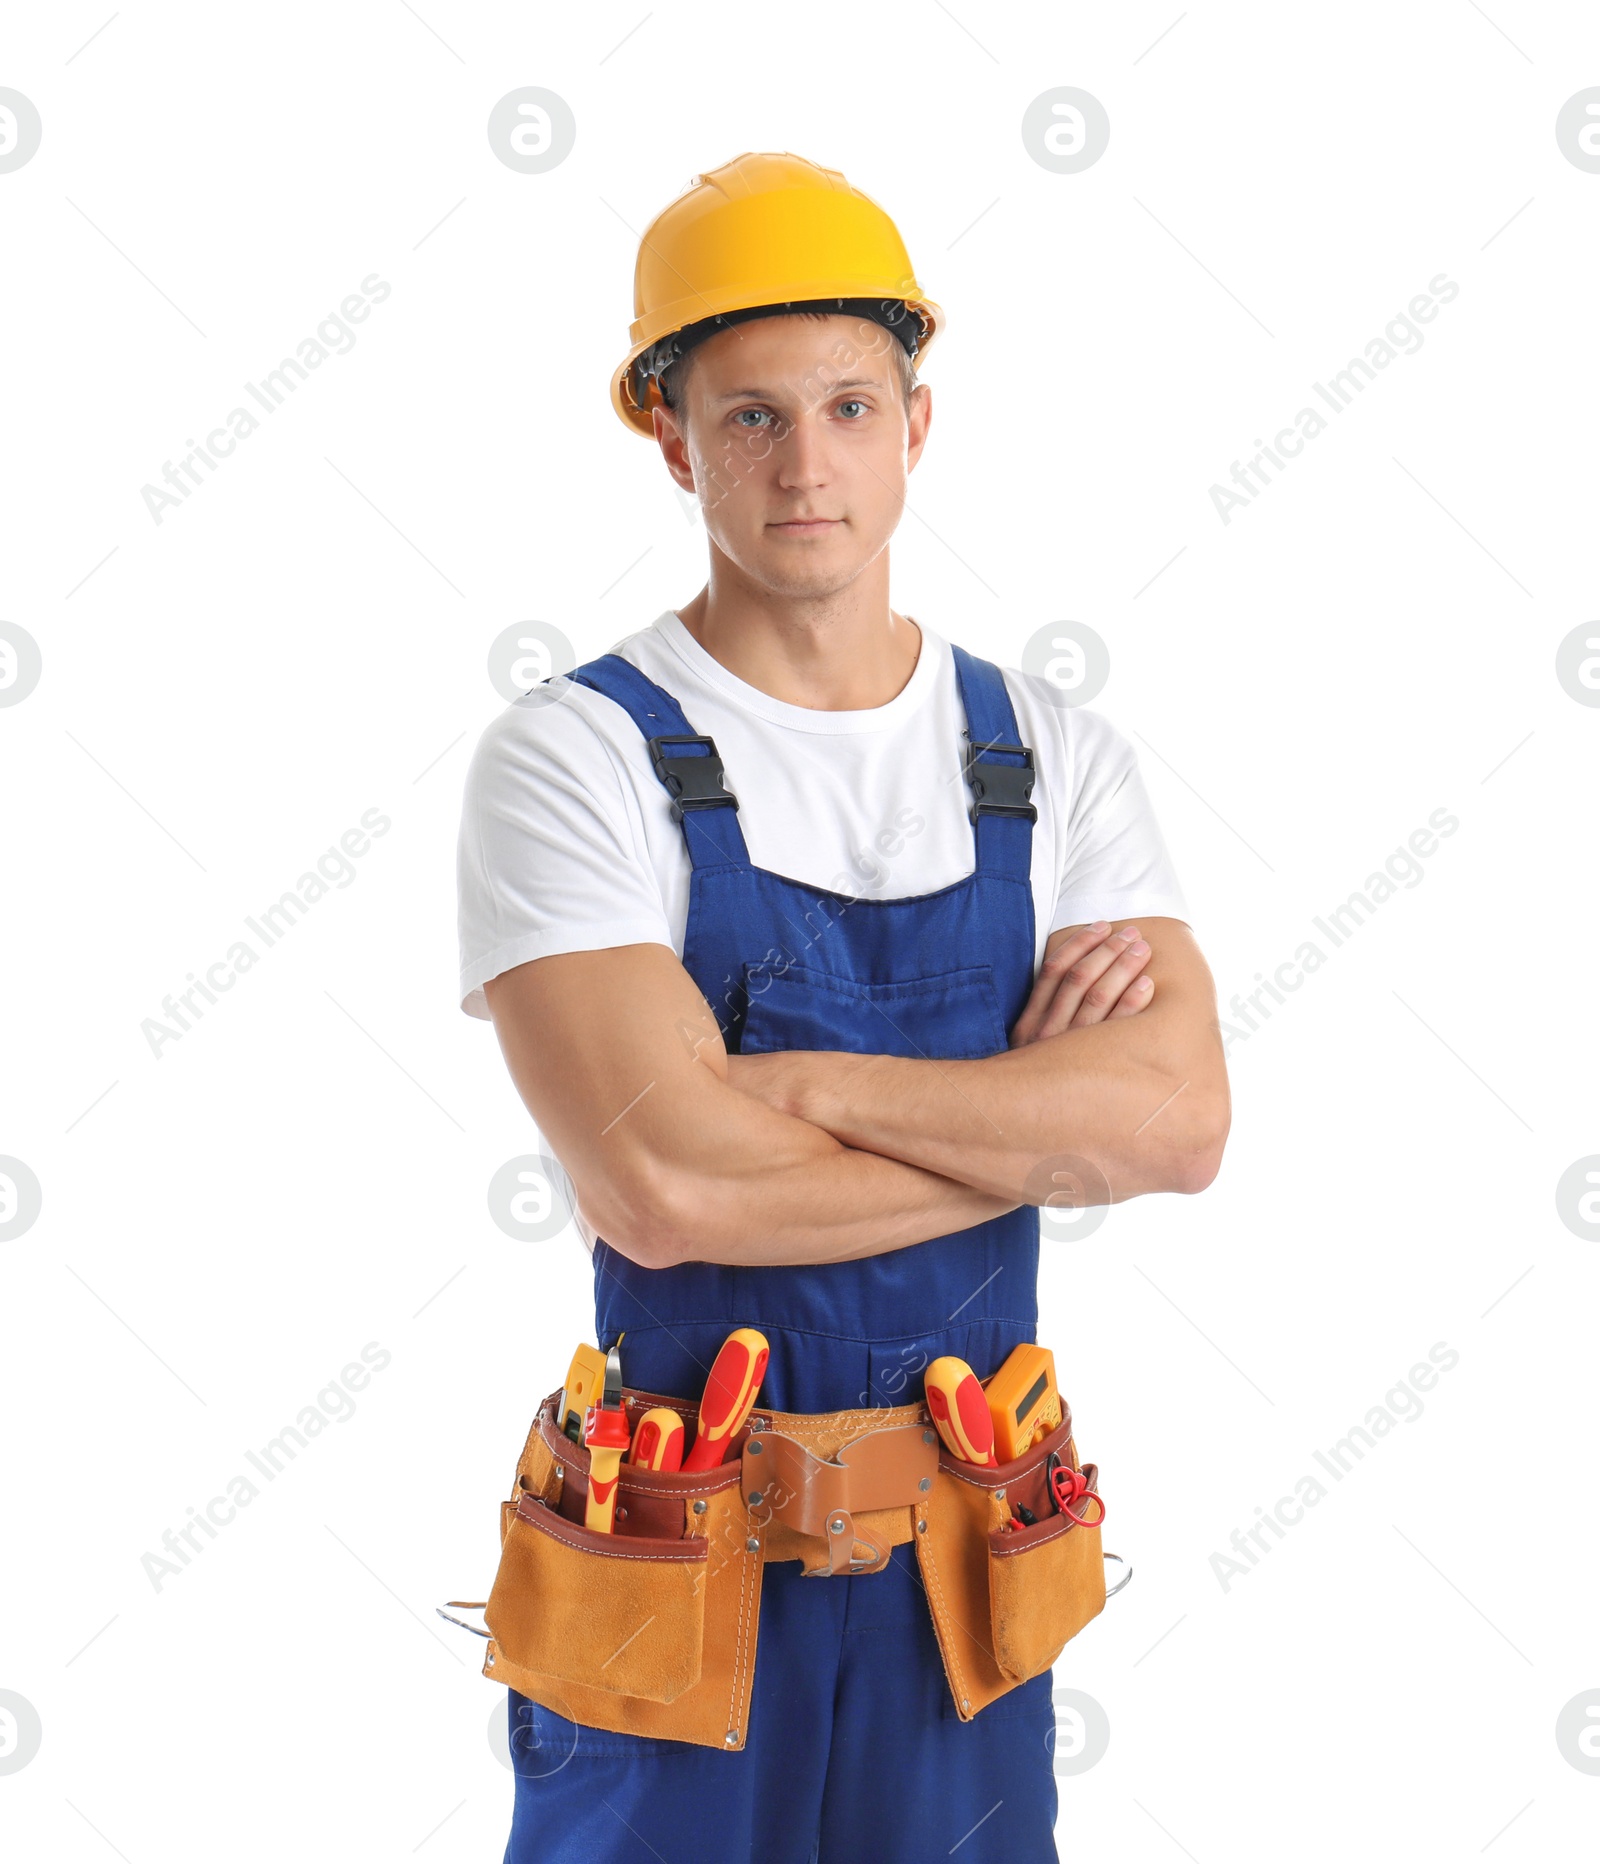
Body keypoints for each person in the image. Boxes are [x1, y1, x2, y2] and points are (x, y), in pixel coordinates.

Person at [456, 151, 1230, 1863]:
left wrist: (787, 1085)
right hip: (677, 1580)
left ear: (917, 425)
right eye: (748, 418)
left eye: (849, 406)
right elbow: (664, 1188)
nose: (807, 464)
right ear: (669, 436)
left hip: (967, 1581)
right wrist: (1038, 1128)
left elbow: (1177, 1124)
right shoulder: (577, 758)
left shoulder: (1051, 753)